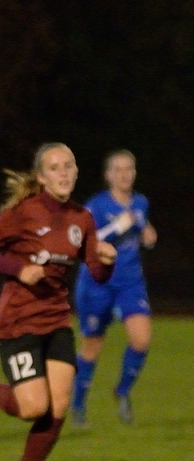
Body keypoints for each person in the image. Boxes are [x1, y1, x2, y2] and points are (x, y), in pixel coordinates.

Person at [0, 143, 117, 461]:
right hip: (19, 321)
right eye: (55, 168)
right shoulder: (24, 212)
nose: (63, 173)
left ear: (76, 172)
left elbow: (97, 274)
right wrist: (19, 269)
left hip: (56, 321)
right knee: (32, 408)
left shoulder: (82, 218)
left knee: (58, 406)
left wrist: (108, 260)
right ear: (42, 177)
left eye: (68, 166)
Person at [71, 150, 156, 426]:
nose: (124, 174)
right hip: (97, 284)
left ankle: (122, 391)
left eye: (129, 169)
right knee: (92, 347)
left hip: (130, 284)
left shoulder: (141, 202)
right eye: (118, 170)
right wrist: (117, 227)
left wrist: (147, 235)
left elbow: (142, 228)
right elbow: (83, 244)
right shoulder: (96, 206)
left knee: (141, 340)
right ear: (108, 175)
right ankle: (78, 404)